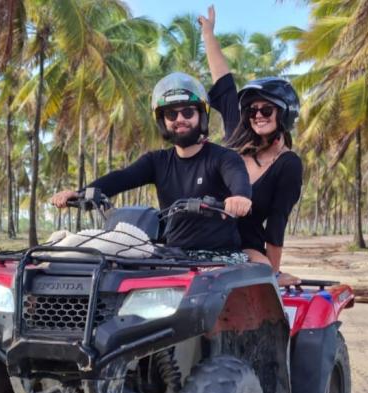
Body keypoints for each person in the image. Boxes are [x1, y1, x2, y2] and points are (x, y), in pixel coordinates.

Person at [50, 72, 252, 255]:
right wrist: (81, 193)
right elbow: (122, 177)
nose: (180, 119)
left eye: (188, 112)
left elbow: (237, 177)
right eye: (171, 114)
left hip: (220, 258)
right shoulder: (157, 161)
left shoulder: (224, 157)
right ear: (163, 121)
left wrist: (240, 197)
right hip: (174, 256)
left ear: (201, 115)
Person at [199, 6, 303, 285]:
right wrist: (208, 33)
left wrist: (274, 271)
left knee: (258, 283)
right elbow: (223, 81)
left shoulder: (288, 164)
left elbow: (277, 222)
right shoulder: (238, 134)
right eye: (253, 110)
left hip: (244, 246)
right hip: (199, 235)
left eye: (266, 110)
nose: (257, 115)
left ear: (283, 113)